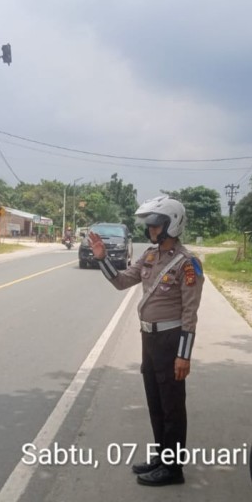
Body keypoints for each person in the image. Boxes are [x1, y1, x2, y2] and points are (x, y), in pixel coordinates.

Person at [87, 196, 204, 486]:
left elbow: (190, 312)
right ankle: (161, 456)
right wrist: (103, 258)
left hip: (170, 339)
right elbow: (121, 281)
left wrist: (184, 355)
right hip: (149, 339)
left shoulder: (187, 263)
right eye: (149, 225)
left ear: (171, 225)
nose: (151, 230)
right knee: (155, 402)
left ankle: (173, 468)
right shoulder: (150, 256)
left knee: (173, 406)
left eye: (156, 224)